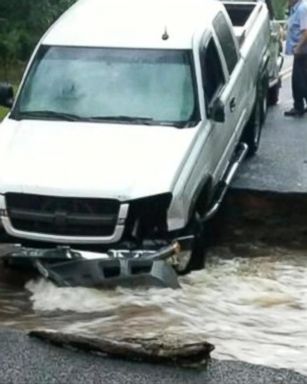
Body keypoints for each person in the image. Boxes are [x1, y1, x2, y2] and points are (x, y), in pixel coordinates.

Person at [284, 0, 307, 116]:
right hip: (301, 52)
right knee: (300, 80)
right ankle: (298, 106)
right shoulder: (296, 9)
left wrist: (298, 47)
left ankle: (298, 107)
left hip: (303, 52)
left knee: (300, 81)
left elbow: (306, 31)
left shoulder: (303, 8)